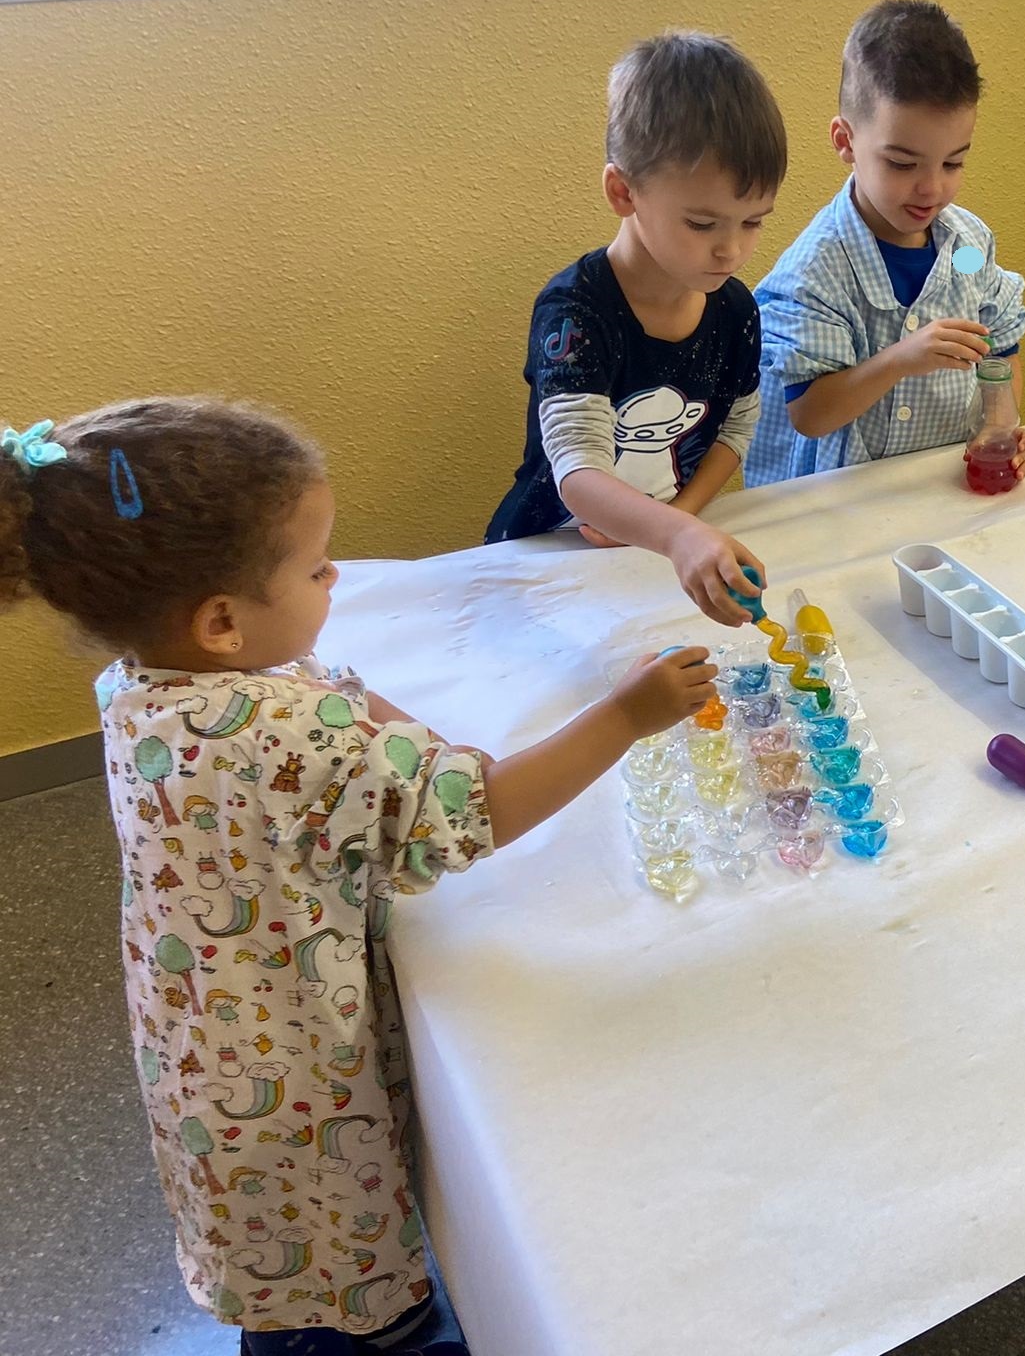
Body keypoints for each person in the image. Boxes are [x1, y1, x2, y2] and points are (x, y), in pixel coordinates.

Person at [0, 399, 716, 1353]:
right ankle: (372, 1333)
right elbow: (480, 811)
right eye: (315, 567)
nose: (335, 575)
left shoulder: (143, 679)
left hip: (202, 1029)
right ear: (221, 621)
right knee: (330, 1236)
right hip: (290, 1064)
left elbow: (327, 685)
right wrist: (625, 716)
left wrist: (412, 747)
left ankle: (299, 1321)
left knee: (271, 1232)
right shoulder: (283, 737)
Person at [487, 30, 786, 626]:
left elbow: (736, 427)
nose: (731, 250)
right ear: (623, 192)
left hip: (657, 550)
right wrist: (677, 534)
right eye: (702, 224)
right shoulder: (575, 311)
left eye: (752, 222)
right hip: (549, 556)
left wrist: (683, 519)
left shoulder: (736, 311)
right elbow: (578, 472)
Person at [745, 0, 1025, 485]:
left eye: (953, 163)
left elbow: (1001, 350)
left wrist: (998, 425)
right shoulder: (817, 272)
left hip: (937, 487)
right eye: (902, 163)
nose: (932, 188)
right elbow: (809, 414)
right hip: (835, 501)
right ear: (846, 142)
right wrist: (899, 360)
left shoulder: (967, 252)